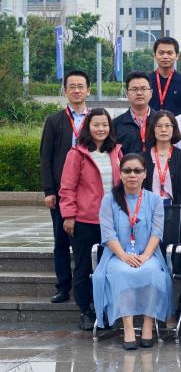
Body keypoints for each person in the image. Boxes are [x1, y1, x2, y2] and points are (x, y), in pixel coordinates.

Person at [92, 153, 173, 350]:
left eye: (137, 171)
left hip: (148, 254)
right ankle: (128, 328)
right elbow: (108, 233)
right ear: (120, 174)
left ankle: (147, 326)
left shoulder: (155, 200)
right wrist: (124, 256)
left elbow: (157, 233)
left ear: (145, 174)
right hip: (117, 255)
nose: (132, 175)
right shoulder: (109, 199)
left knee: (152, 272)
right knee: (122, 273)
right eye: (127, 170)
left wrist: (145, 256)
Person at [59, 108, 123, 331]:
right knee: (84, 266)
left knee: (109, 267)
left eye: (105, 124)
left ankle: (104, 309)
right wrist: (69, 215)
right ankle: (86, 311)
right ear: (88, 127)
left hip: (111, 222)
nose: (101, 129)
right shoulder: (77, 154)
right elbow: (67, 188)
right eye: (96, 124)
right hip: (85, 220)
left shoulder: (116, 152)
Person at [39, 70, 90, 306]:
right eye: (72, 87)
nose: (77, 90)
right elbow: (46, 158)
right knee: (61, 240)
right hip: (62, 192)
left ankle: (86, 286)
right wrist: (49, 190)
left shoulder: (96, 120)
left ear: (88, 90)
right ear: (66, 91)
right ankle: (63, 286)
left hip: (90, 192)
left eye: (81, 86)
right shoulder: (54, 121)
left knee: (86, 241)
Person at [143, 110, 181, 209]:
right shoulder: (143, 158)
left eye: (167, 126)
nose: (163, 130)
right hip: (149, 210)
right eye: (159, 126)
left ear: (174, 129)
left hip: (176, 211)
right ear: (153, 129)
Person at [112, 71, 152, 154]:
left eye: (143, 89)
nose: (139, 93)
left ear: (151, 93)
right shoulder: (115, 124)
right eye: (134, 89)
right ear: (127, 94)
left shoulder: (160, 121)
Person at [149, 37, 181, 115]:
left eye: (170, 53)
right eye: (161, 53)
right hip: (151, 122)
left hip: (177, 123)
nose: (165, 56)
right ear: (154, 55)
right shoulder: (147, 81)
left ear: (177, 56)